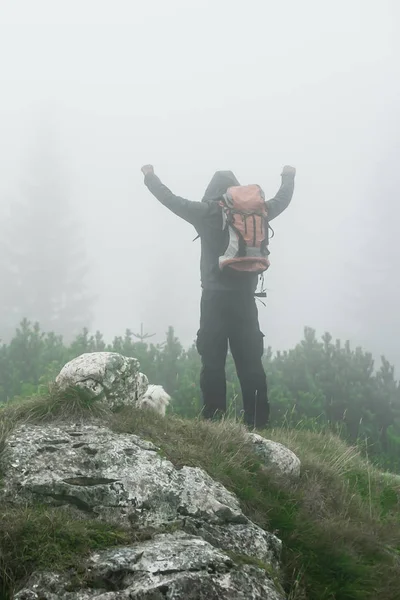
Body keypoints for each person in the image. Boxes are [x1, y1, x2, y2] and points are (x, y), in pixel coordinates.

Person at [141, 164, 296, 429]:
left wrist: (150, 177)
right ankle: (257, 424)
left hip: (214, 301)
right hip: (246, 302)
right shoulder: (257, 213)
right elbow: (283, 199)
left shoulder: (208, 212)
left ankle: (214, 424)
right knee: (251, 364)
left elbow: (171, 200)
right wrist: (288, 177)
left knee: (212, 364)